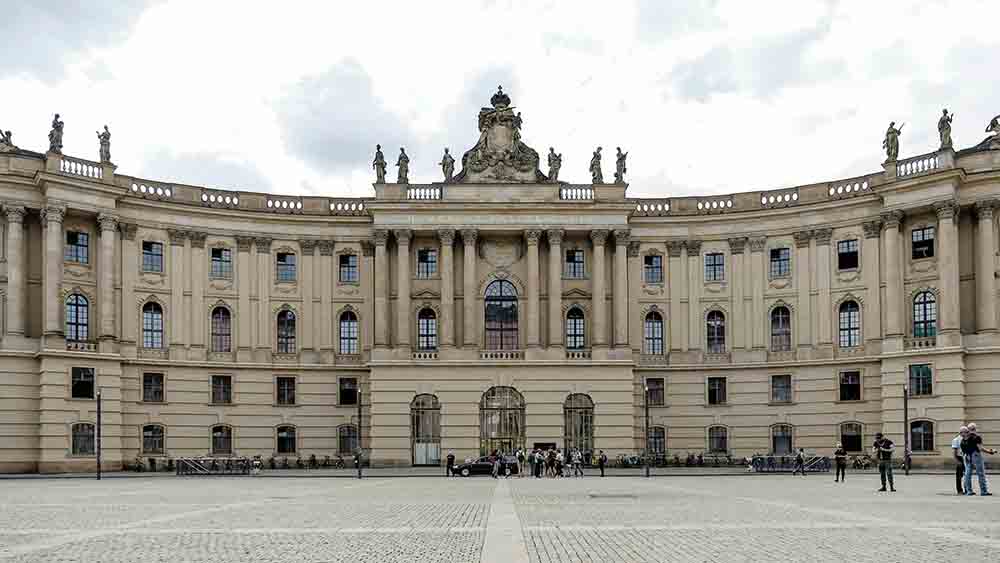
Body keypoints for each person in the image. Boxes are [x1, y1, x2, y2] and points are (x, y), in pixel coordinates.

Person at [962, 423, 997, 496]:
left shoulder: (964, 438)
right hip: (976, 455)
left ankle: (969, 491)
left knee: (968, 474)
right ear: (975, 429)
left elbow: (963, 449)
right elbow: (980, 448)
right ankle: (983, 491)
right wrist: (990, 452)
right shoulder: (977, 437)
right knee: (981, 473)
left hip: (967, 456)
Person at [952, 428, 966, 495]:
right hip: (960, 458)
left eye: (967, 432)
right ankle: (959, 490)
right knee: (959, 476)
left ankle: (967, 489)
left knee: (967, 475)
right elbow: (954, 452)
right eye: (965, 432)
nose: (966, 433)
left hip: (966, 458)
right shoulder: (956, 440)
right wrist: (957, 461)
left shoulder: (966, 439)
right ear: (961, 432)